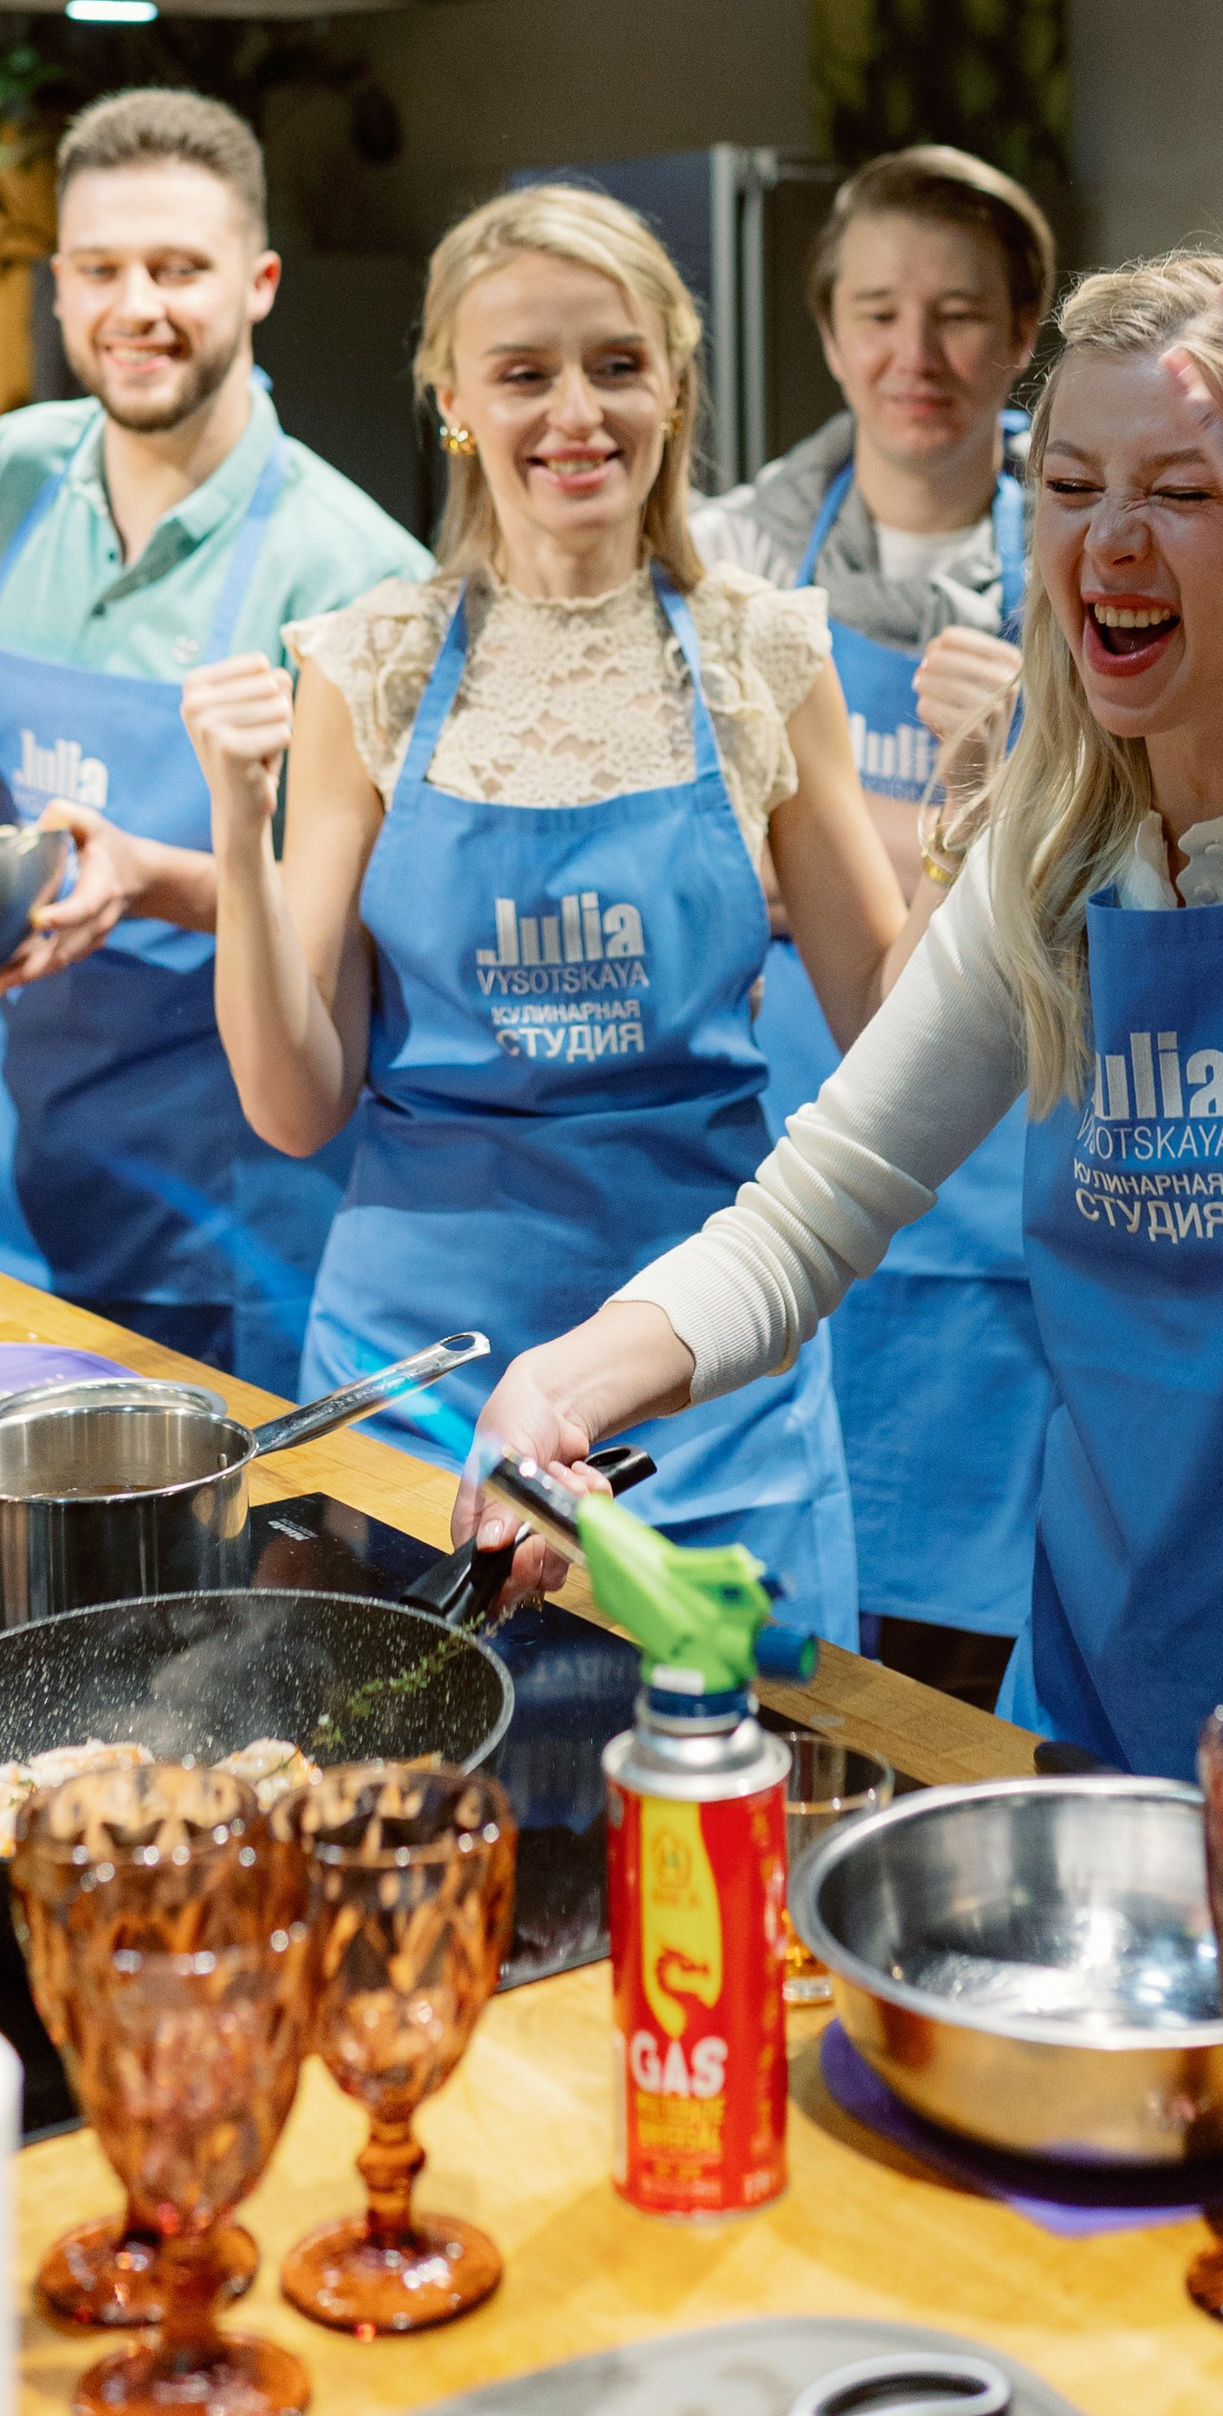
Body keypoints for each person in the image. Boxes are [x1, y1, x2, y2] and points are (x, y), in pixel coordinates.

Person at [469, 241, 1223, 1967]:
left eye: (1186, 495)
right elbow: (819, 1201)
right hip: (1116, 1726)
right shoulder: (1057, 869)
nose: (1109, 543)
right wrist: (569, 1375)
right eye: (1069, 488)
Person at [181, 183, 917, 1646]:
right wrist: (230, 807)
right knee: (412, 1839)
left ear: (677, 388)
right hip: (421, 1388)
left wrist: (966, 837)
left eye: (616, 365)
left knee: (729, 1832)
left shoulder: (761, 655)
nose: (575, 412)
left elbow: (888, 1040)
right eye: (523, 373)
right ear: (454, 399)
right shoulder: (373, 662)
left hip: (702, 1390)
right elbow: (294, 1103)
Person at [0, 90, 430, 1388]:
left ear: (261, 281)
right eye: (103, 270)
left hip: (228, 1219)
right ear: (58, 286)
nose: (139, 308)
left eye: (180, 269)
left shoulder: (355, 571)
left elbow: (377, 934)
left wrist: (147, 877)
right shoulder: (18, 467)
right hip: (2, 1181)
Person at [694, 147, 1052, 1703]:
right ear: (830, 333)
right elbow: (700, 848)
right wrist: (959, 841)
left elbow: (1127, 853)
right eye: (880, 314)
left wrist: (836, 852)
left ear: (1024, 334)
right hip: (782, 1170)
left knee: (978, 1674)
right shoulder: (731, 557)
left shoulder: (1103, 541)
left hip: (1016, 1201)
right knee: (792, 1666)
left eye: (963, 315)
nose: (920, 358)